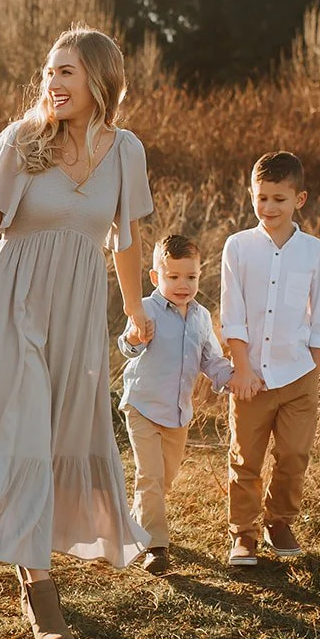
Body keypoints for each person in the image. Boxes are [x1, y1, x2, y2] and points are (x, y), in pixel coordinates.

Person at [0, 25, 154, 639]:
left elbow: (124, 241)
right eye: (48, 71)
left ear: (100, 80)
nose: (52, 82)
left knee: (57, 435)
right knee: (22, 430)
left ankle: (36, 550)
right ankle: (39, 587)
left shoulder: (126, 150)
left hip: (77, 310)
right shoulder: (24, 142)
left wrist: (134, 312)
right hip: (13, 301)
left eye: (66, 71)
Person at [219, 151, 320, 566]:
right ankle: (244, 534)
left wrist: (313, 374)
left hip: (298, 375)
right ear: (251, 194)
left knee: (293, 455)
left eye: (279, 200)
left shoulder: (317, 252)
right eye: (261, 197)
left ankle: (279, 521)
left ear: (299, 199)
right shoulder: (238, 247)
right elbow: (231, 314)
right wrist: (243, 367)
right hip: (250, 377)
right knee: (245, 458)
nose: (268, 208)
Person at [117, 234, 234, 576]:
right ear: (156, 277)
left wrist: (232, 376)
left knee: (163, 480)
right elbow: (127, 345)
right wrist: (137, 337)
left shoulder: (200, 317)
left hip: (178, 414)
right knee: (150, 476)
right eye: (173, 277)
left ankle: (134, 525)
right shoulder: (145, 308)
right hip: (142, 406)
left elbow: (211, 361)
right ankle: (156, 547)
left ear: (200, 275)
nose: (183, 285)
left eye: (191, 277)